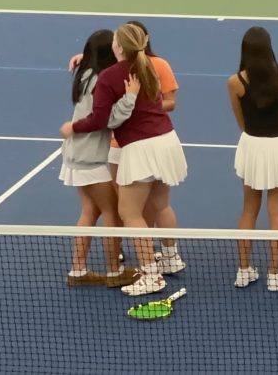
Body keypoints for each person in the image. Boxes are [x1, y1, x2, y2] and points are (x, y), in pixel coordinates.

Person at [61, 24, 189, 297]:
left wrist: (74, 128)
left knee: (129, 214)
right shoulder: (148, 66)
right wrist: (85, 57)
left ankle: (151, 276)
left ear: (118, 47)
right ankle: (168, 258)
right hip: (168, 141)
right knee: (159, 203)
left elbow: (100, 119)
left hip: (141, 148)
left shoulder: (109, 77)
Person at [59, 29, 135, 288]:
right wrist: (130, 99)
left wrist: (84, 57)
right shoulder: (101, 81)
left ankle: (77, 271)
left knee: (90, 210)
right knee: (112, 211)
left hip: (75, 154)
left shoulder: (86, 74)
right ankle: (115, 272)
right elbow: (106, 119)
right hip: (89, 158)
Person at [227, 27, 278, 292]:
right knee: (277, 211)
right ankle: (274, 274)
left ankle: (244, 269)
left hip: (253, 146)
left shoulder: (235, 82)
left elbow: (242, 121)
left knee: (249, 209)